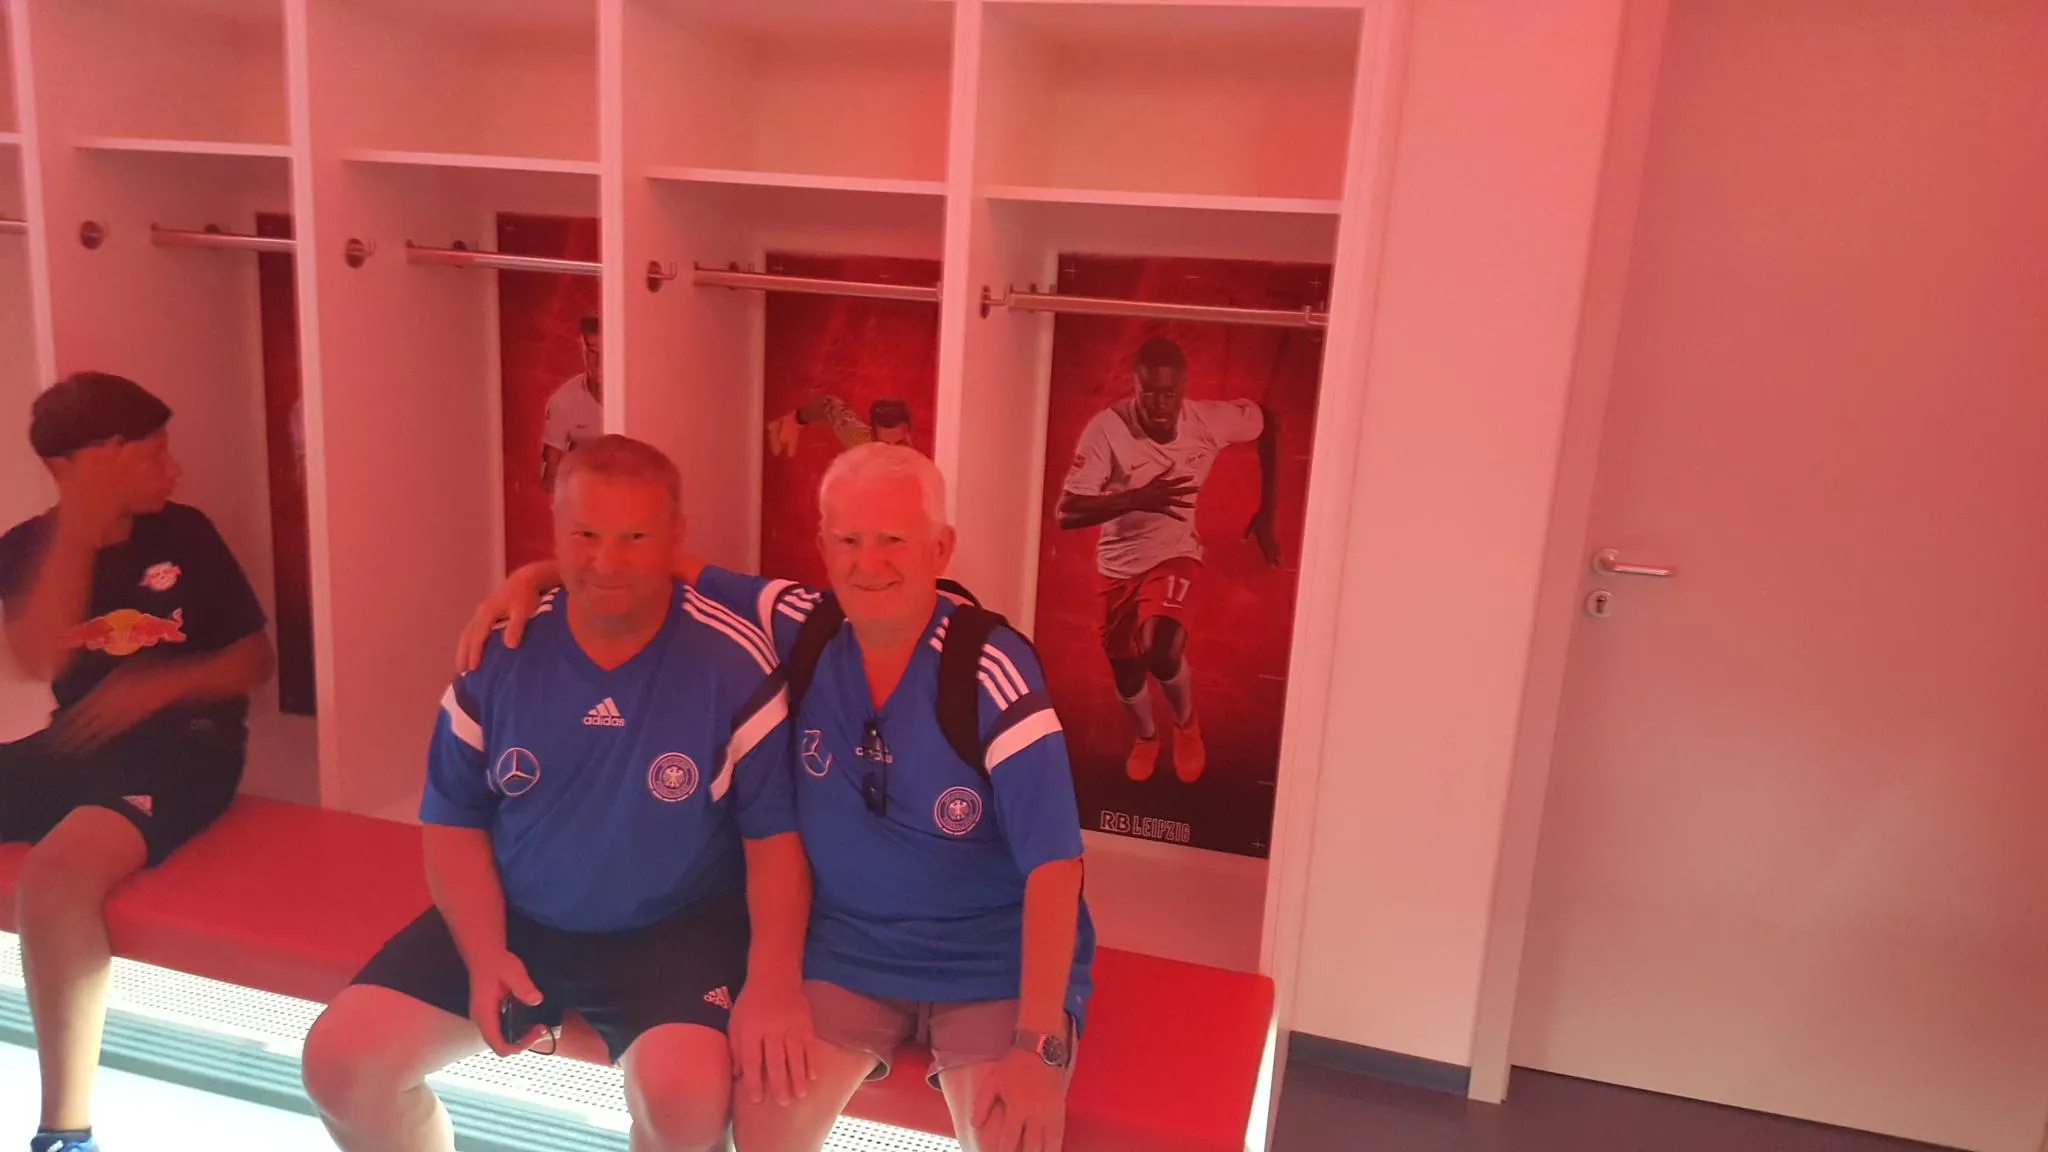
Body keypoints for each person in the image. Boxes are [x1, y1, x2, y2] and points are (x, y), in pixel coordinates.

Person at [464, 443, 1093, 1152]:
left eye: (893, 540)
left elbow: (1056, 867)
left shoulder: (990, 667)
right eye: (848, 541)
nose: (869, 563)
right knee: (762, 1129)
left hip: (990, 963)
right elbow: (656, 563)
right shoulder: (805, 623)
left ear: (940, 548)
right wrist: (537, 575)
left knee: (1012, 1139)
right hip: (848, 954)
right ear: (822, 547)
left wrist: (1037, 1044)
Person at [301, 436, 812, 1152]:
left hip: (675, 929)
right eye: (585, 535)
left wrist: (773, 984)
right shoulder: (500, 651)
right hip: (520, 915)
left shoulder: (732, 661)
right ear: (555, 530)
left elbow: (775, 841)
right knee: (339, 1063)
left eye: (635, 537)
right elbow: (453, 821)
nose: (607, 562)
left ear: (676, 535)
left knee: (685, 1099)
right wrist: (485, 953)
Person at [0, 372, 277, 1152]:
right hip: (76, 742)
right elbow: (34, 658)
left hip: (186, 748)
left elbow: (254, 660)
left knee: (55, 879)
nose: (173, 469)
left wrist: (163, 682)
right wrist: (79, 528)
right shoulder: (25, 547)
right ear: (89, 460)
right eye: (152, 455)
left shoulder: (186, 532)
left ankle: (66, 1131)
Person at [1055, 336, 1279, 784]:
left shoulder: (1207, 421)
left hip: (1176, 554)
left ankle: (1186, 725)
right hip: (1118, 565)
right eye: (1149, 394)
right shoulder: (1107, 429)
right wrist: (1136, 498)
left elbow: (1266, 421)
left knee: (1162, 649)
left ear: (1183, 389)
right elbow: (1067, 511)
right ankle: (1147, 737)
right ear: (1134, 388)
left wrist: (1267, 511)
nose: (1160, 405)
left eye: (1169, 393)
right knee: (1127, 674)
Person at [539, 312, 604, 492]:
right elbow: (549, 478)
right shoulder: (562, 402)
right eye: (592, 351)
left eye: (606, 352)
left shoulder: (639, 396)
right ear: (582, 349)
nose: (599, 362)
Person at [765, 396, 915, 457]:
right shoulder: (858, 439)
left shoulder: (917, 461)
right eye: (884, 445)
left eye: (899, 443)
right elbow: (829, 407)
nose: (892, 453)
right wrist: (796, 419)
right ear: (872, 436)